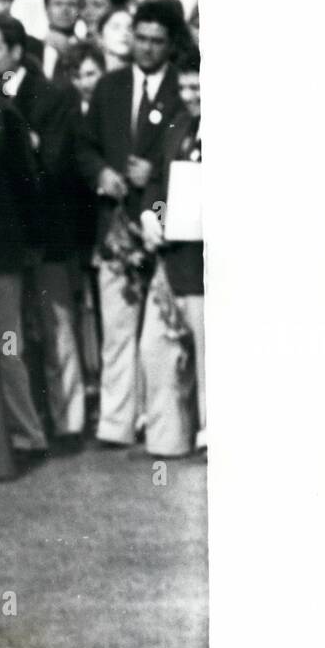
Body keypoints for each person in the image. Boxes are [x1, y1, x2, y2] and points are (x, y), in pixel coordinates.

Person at [76, 0, 183, 446]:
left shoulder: (184, 88)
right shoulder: (111, 86)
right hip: (115, 225)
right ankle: (116, 424)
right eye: (140, 38)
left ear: (171, 44)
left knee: (160, 335)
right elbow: (84, 145)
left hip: (164, 225)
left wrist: (155, 172)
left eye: (157, 41)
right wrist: (100, 172)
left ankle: (159, 423)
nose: (147, 48)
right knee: (117, 329)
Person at [0, 15, 86, 447]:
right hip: (6, 238)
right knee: (13, 337)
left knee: (56, 326)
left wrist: (26, 147)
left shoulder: (52, 95)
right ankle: (28, 424)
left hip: (46, 235)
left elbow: (55, 165)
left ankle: (70, 422)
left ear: (16, 51)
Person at [139, 46, 204, 454]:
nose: (190, 94)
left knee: (209, 353)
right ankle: (168, 438)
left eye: (197, 86)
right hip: (172, 258)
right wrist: (150, 213)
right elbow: (157, 182)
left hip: (206, 264)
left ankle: (214, 438)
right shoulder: (177, 124)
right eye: (183, 86)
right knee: (156, 348)